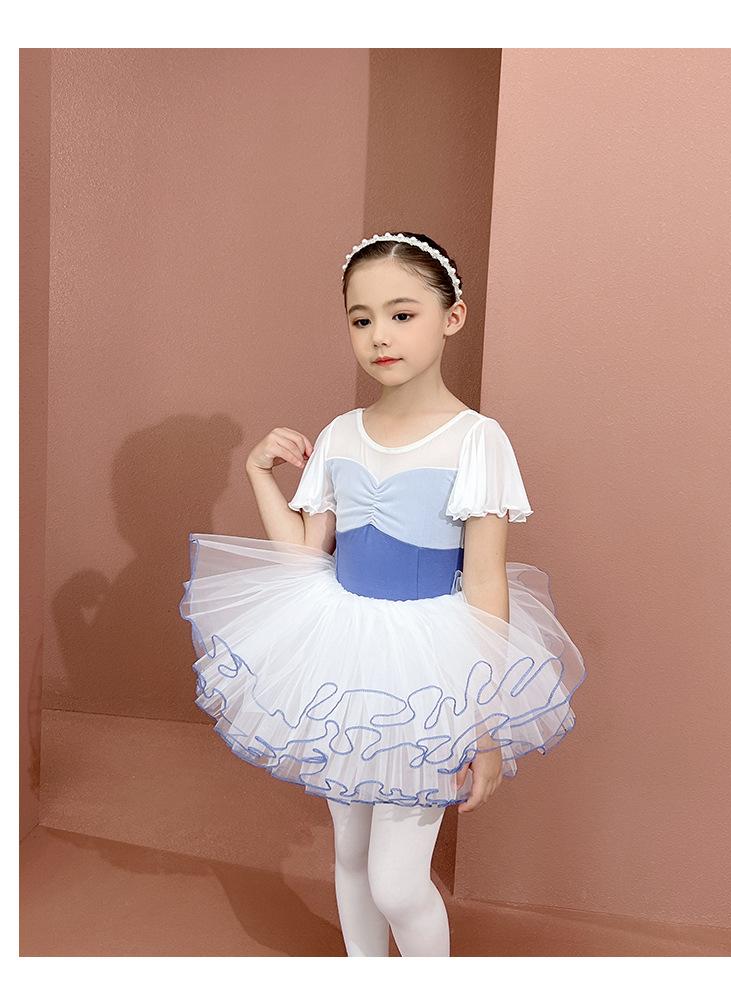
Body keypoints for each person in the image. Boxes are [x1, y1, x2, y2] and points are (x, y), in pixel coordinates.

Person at [179, 230, 587, 957]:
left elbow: (485, 578)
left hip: (428, 663)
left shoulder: (476, 439)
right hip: (344, 653)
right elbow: (306, 554)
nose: (380, 336)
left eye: (402, 315)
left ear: (451, 317)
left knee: (398, 883)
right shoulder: (341, 433)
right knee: (350, 855)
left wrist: (485, 723)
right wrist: (258, 475)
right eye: (361, 319)